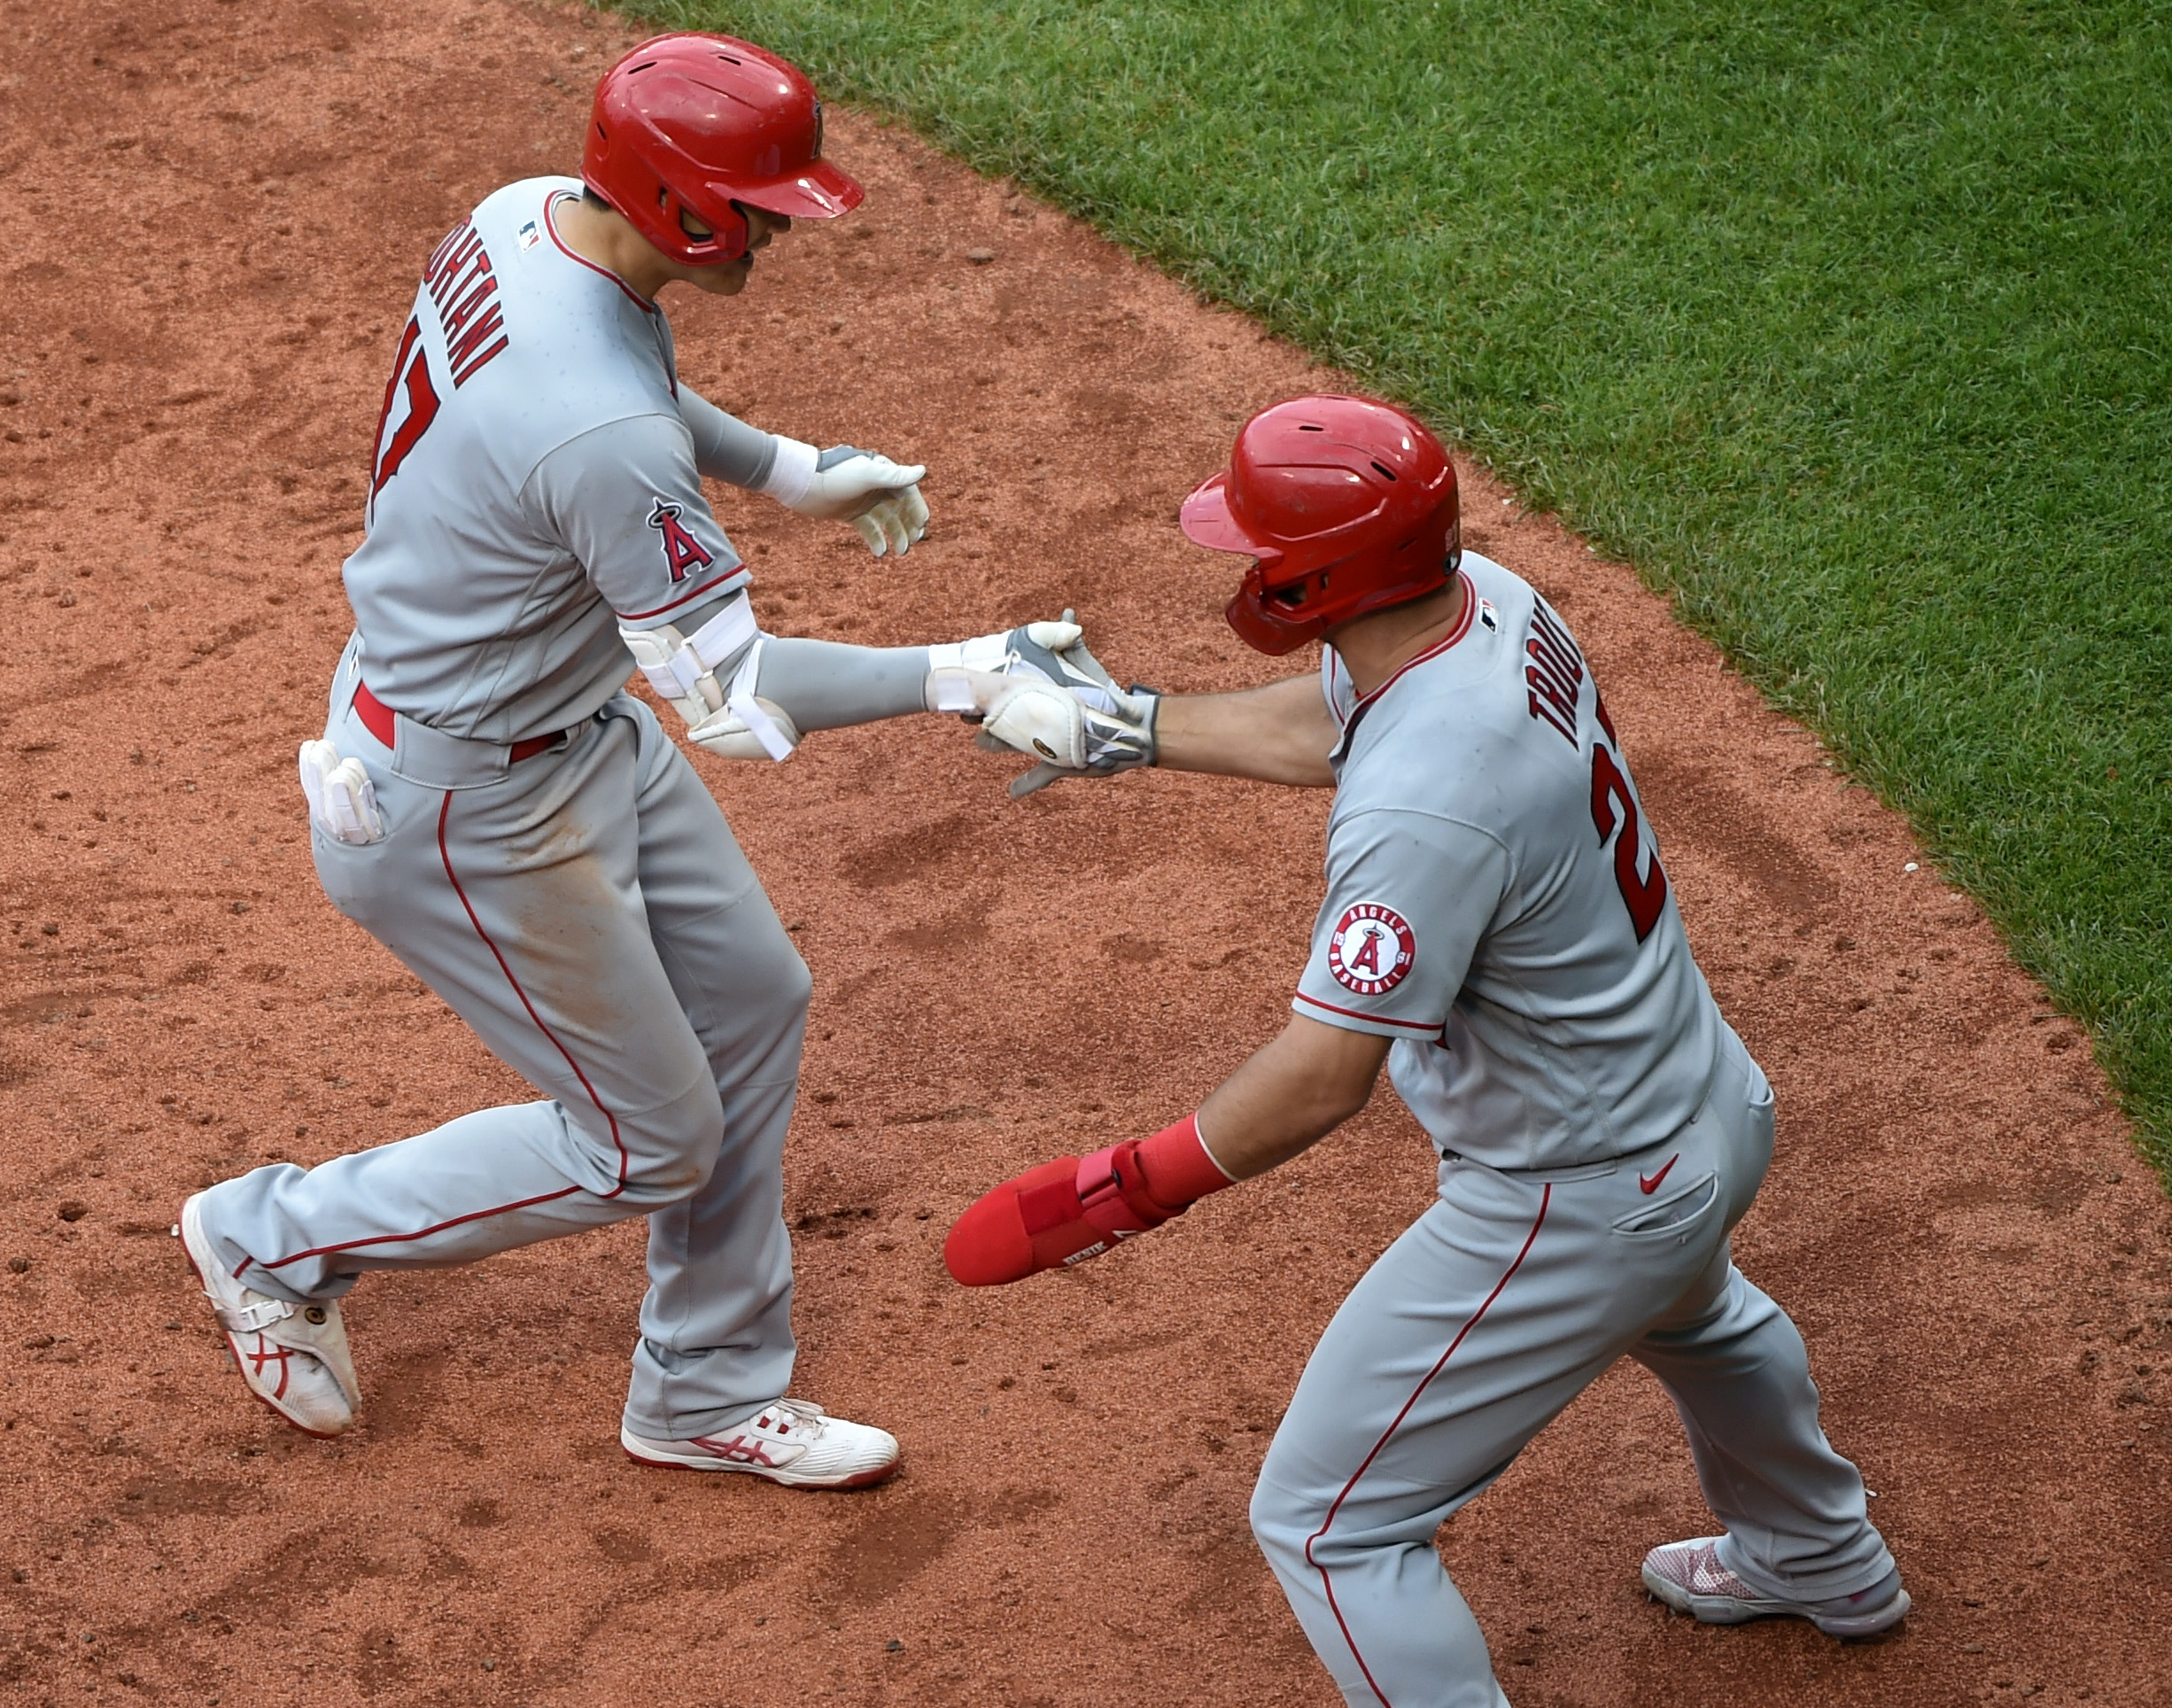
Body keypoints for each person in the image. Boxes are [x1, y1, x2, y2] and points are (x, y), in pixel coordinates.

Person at [175, 32, 1082, 1489]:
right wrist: (957, 679)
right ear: (677, 201)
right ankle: (271, 1236)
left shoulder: (533, 212)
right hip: (463, 806)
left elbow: (618, 385)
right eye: (760, 200)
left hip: (563, 719)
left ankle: (706, 1391)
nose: (779, 226)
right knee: (645, 1144)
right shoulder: (594, 432)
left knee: (753, 1003)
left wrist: (785, 466)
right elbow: (731, 692)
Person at [948, 395, 1909, 1700]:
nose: (1241, 564)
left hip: (1580, 1193)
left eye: (1260, 548)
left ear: (1317, 575)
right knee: (1705, 1315)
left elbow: (1325, 1072)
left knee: (1330, 1526)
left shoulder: (1424, 809)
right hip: (1708, 1103)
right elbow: (1334, 721)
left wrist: (1128, 1185)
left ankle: (1809, 1552)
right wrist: (1134, 724)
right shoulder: (1485, 602)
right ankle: (1821, 1556)